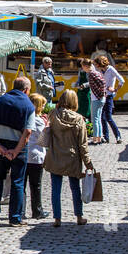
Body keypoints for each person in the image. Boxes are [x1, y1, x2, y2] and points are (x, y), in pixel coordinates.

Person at [0, 76, 37, 227]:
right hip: (18, 146)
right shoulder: (28, 105)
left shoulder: (0, 101)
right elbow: (27, 132)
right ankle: (15, 218)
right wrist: (16, 151)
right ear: (26, 90)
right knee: (17, 181)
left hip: (1, 143)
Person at [43, 89, 91, 228]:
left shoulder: (53, 115)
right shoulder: (78, 119)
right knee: (75, 188)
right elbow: (82, 144)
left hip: (55, 155)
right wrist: (88, 163)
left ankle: (57, 219)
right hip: (72, 157)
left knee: (55, 189)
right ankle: (79, 216)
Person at [22, 93, 49, 220]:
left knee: (21, 186)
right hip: (36, 157)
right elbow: (44, 141)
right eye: (42, 105)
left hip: (23, 156)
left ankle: (20, 211)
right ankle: (37, 211)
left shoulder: (23, 119)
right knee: (35, 186)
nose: (43, 107)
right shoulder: (39, 121)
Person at [97, 54, 124, 144]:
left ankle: (118, 136)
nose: (97, 67)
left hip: (109, 96)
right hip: (102, 95)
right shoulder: (101, 70)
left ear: (102, 64)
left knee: (108, 117)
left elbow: (121, 80)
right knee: (102, 117)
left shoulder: (111, 69)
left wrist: (115, 89)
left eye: (98, 65)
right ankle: (106, 137)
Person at [86, 58, 107, 145]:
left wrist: (99, 94)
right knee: (98, 119)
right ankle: (99, 138)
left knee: (95, 119)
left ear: (86, 66)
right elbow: (103, 83)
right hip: (101, 98)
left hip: (96, 99)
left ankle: (95, 139)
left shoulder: (91, 74)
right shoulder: (97, 72)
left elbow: (99, 84)